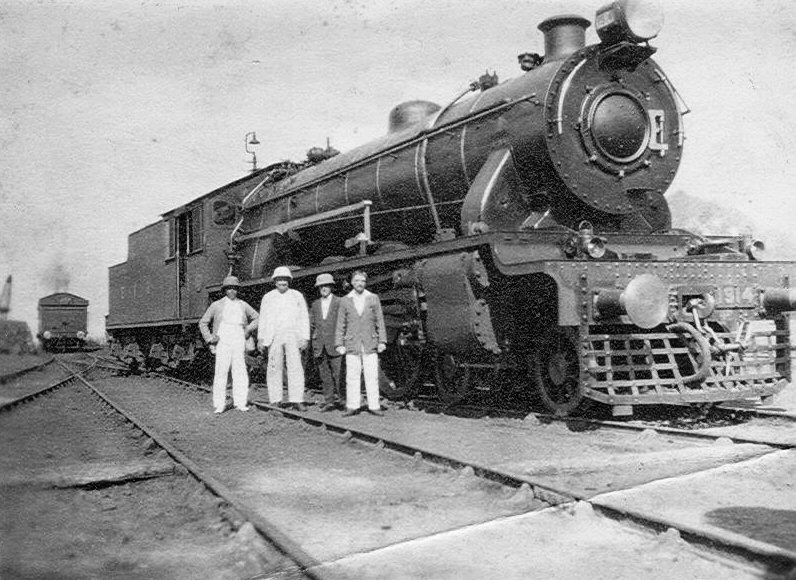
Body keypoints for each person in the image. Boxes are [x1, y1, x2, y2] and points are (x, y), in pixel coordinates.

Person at [198, 276, 259, 414]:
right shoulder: (217, 305)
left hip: (238, 340)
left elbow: (257, 317)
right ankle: (219, 404)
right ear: (225, 290)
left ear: (238, 290)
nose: (232, 291)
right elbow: (203, 322)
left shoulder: (243, 305)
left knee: (240, 371)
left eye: (234, 288)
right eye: (229, 288)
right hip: (223, 341)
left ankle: (240, 403)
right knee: (221, 372)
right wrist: (209, 338)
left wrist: (248, 329)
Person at [335, 270, 387, 416]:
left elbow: (379, 320)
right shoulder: (345, 300)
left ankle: (374, 405)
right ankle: (352, 405)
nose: (360, 283)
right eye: (357, 280)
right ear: (352, 282)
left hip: (370, 342)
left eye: (363, 281)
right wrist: (339, 343)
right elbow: (341, 324)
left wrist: (382, 340)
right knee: (352, 375)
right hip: (352, 343)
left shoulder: (373, 298)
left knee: (372, 375)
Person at [258, 266, 310, 411]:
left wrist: (305, 337)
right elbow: (263, 319)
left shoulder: (296, 295)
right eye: (279, 279)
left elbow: (304, 317)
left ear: (289, 281)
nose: (282, 282)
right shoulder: (268, 297)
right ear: (274, 281)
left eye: (285, 279)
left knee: (295, 366)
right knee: (274, 367)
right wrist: (261, 338)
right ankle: (275, 399)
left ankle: (297, 399)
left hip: (293, 335)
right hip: (274, 336)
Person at [309, 273, 343, 412]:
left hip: (335, 343)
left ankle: (343, 400)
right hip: (320, 344)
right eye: (321, 286)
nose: (323, 288)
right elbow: (312, 324)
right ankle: (329, 401)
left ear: (331, 287)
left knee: (339, 373)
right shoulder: (315, 304)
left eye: (326, 285)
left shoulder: (339, 302)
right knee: (325, 375)